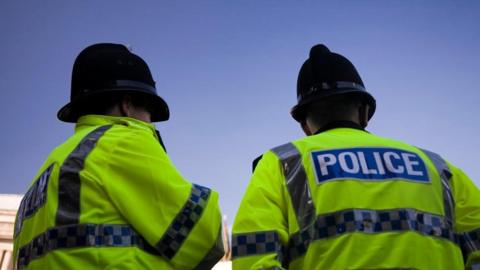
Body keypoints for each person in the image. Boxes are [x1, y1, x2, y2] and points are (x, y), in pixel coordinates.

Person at [232, 44, 480, 269]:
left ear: (305, 126)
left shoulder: (282, 163)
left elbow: (254, 254)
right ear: (364, 112)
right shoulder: (437, 167)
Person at [13, 43, 224, 269]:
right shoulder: (121, 141)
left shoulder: (48, 172)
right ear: (127, 106)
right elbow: (204, 239)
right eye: (149, 113)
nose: (150, 123)